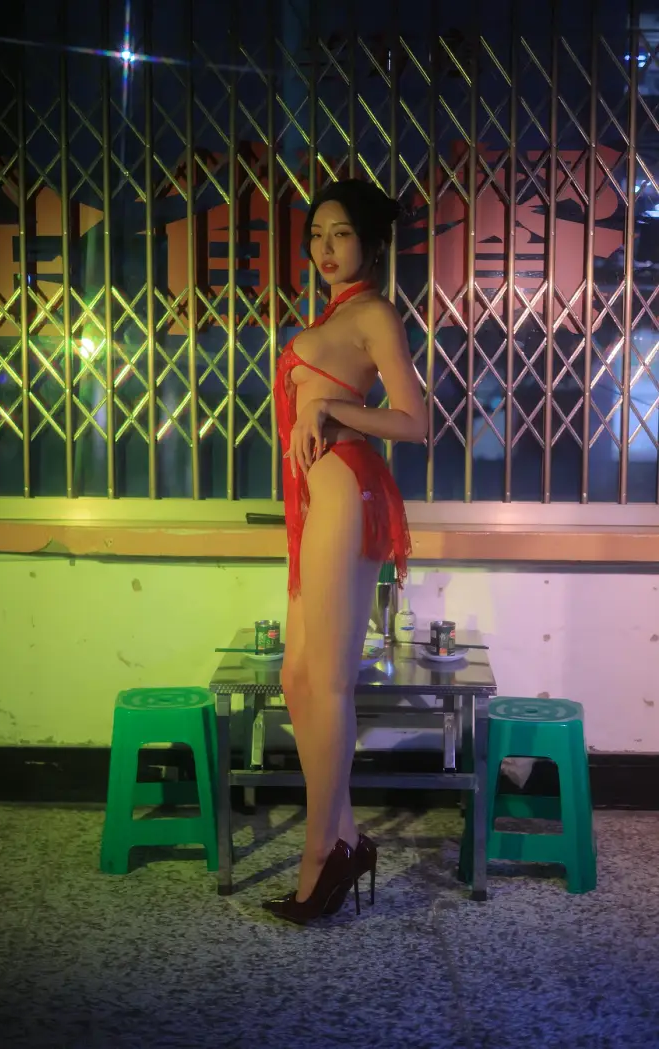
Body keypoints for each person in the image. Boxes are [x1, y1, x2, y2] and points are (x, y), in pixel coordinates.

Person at [263, 179, 428, 925]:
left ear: (370, 242)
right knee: (297, 678)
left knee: (327, 682)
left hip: (344, 492)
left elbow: (414, 421)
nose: (326, 248)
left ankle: (318, 858)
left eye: (341, 234)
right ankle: (350, 838)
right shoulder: (330, 316)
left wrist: (333, 406)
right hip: (313, 501)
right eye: (318, 235)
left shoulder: (374, 314)